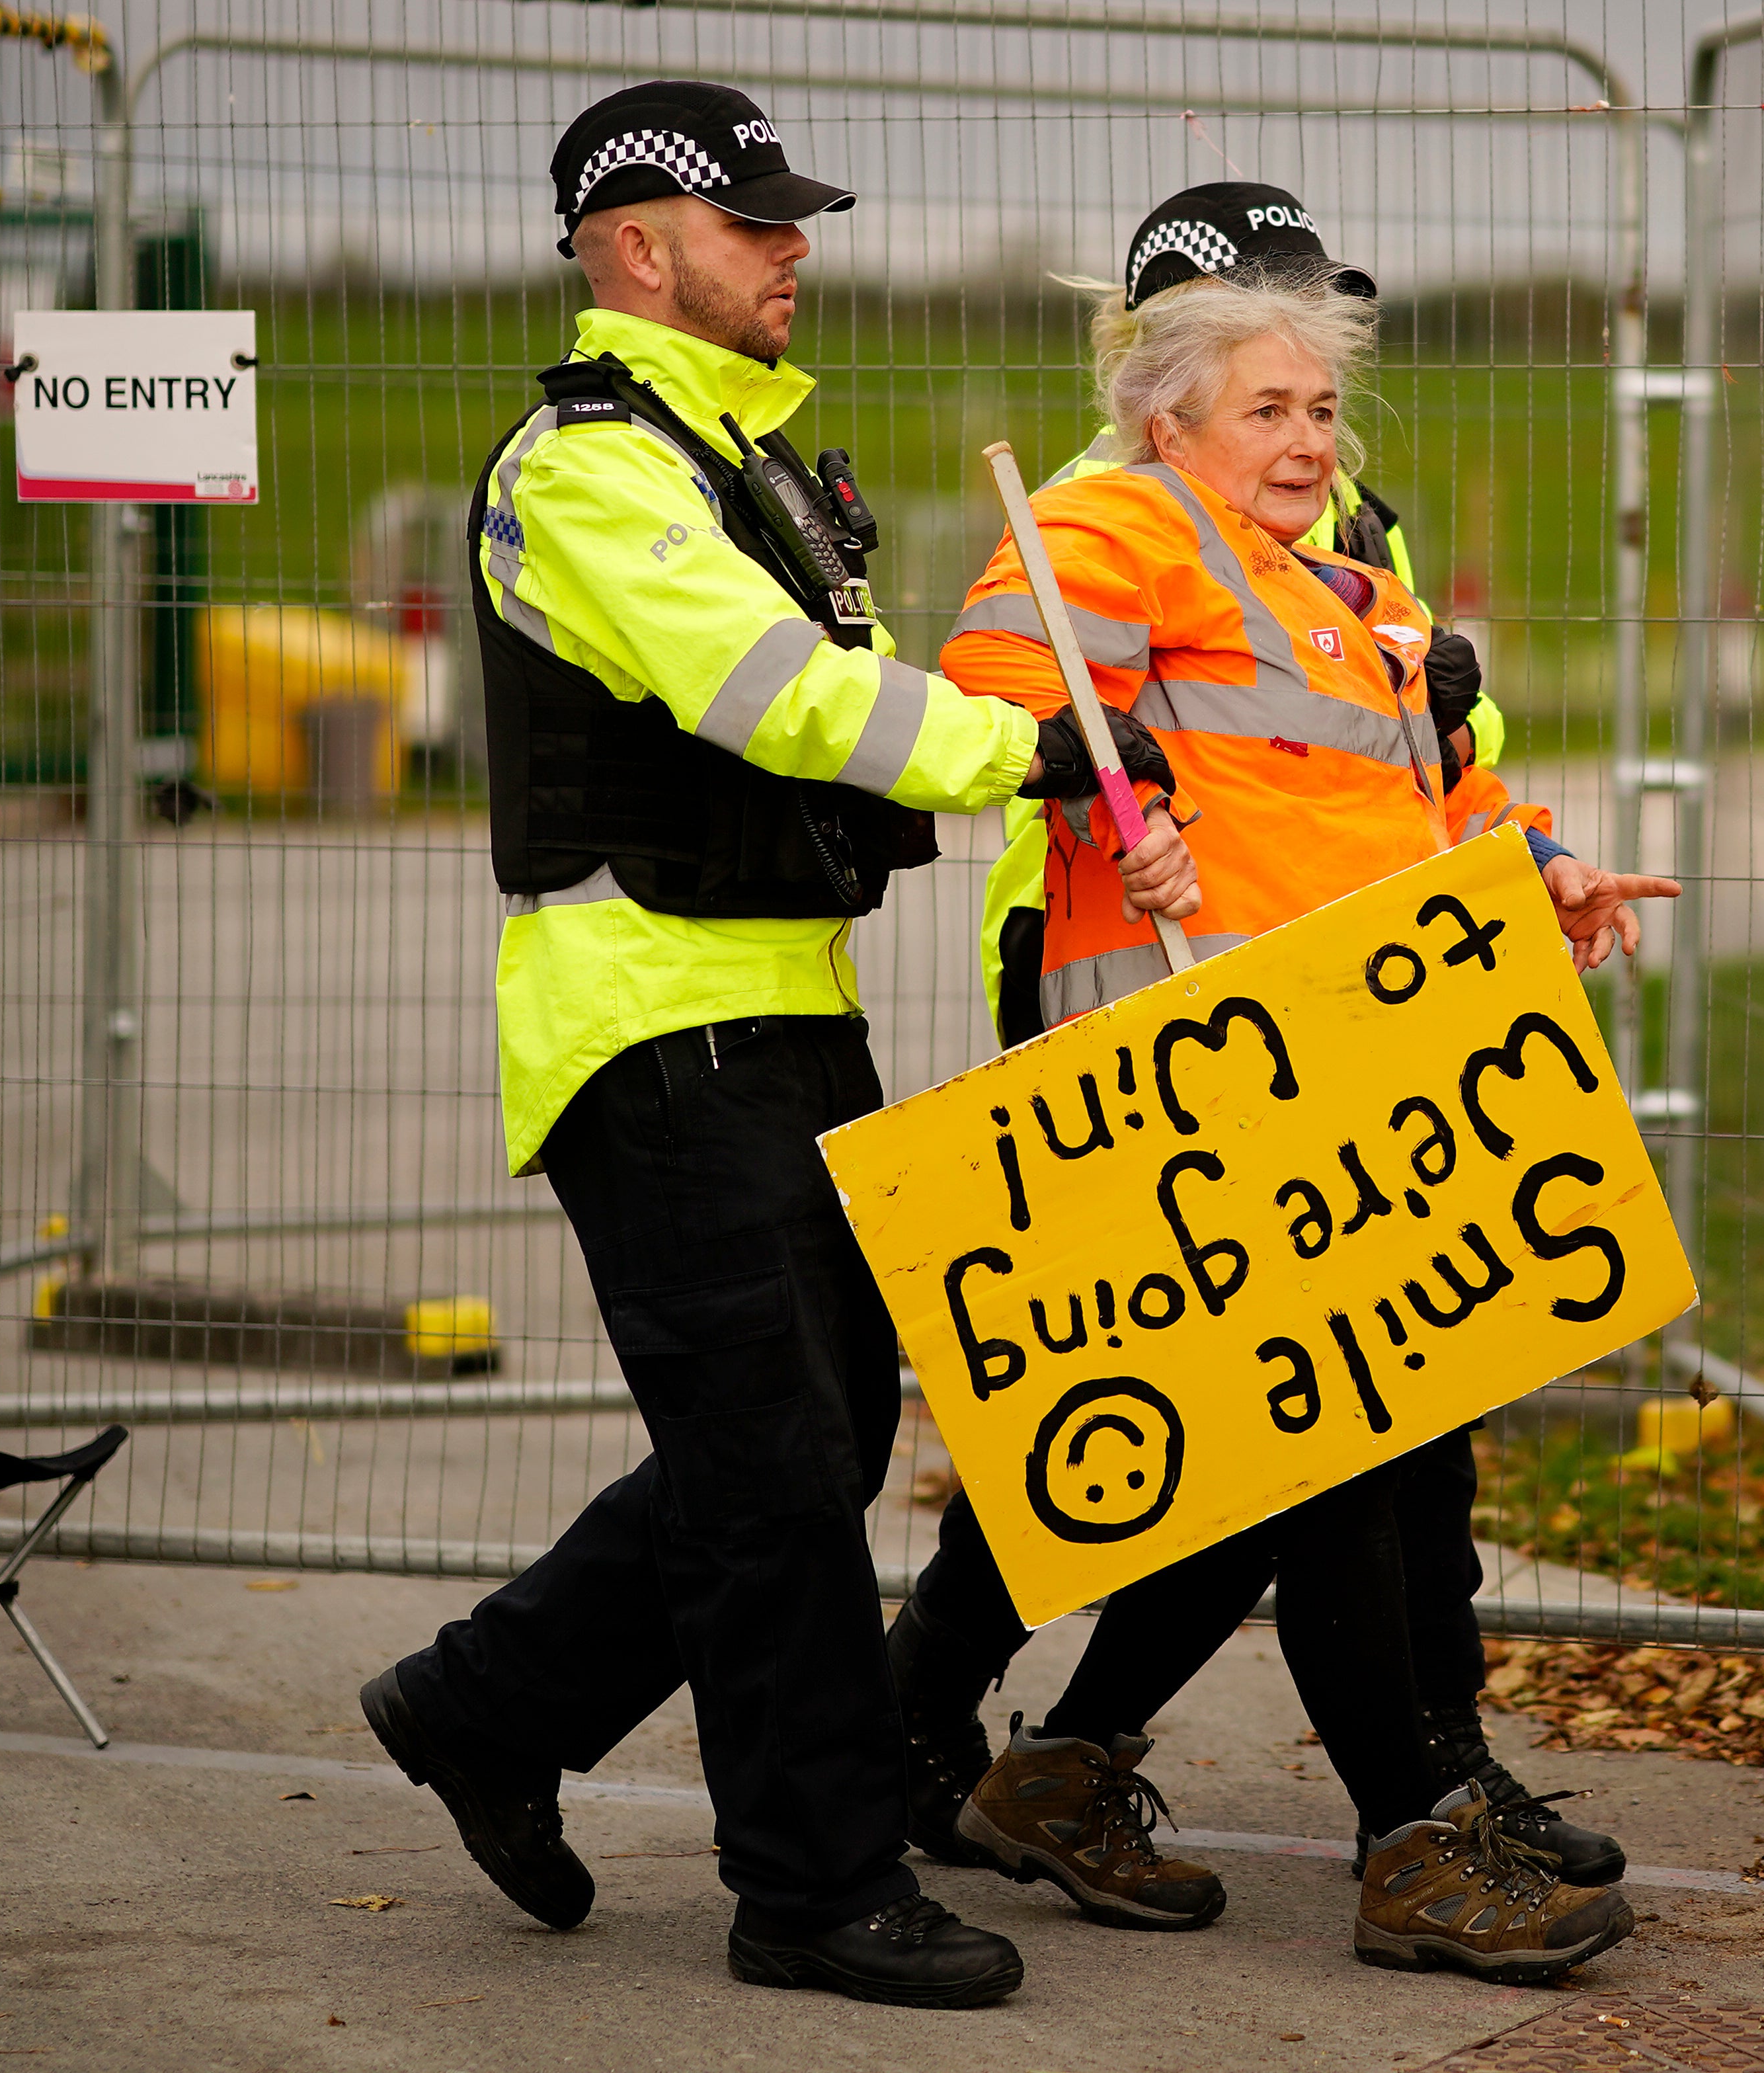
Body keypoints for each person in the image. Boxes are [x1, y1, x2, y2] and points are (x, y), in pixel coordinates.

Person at [355, 80, 1199, 2012]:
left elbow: (834, 723)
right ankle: (812, 1887)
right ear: (636, 248)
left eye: (793, 217)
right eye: (757, 224)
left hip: (782, 1007)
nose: (796, 247)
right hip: (646, 1024)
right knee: (782, 1475)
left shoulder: (750, 463)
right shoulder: (585, 474)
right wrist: (1026, 752)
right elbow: (767, 696)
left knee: (786, 1442)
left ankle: (483, 1707)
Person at [912, 261, 1679, 1982]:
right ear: (1165, 420)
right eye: (1265, 408)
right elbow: (996, 668)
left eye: (1322, 409)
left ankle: (1035, 1761)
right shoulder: (1121, 528)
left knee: (1299, 1451)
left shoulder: (1352, 596)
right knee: (1326, 1440)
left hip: (1340, 1079)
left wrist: (1544, 865)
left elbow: (1438, 781)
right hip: (1196, 1075)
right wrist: (1124, 786)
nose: (1304, 438)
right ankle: (1413, 1840)